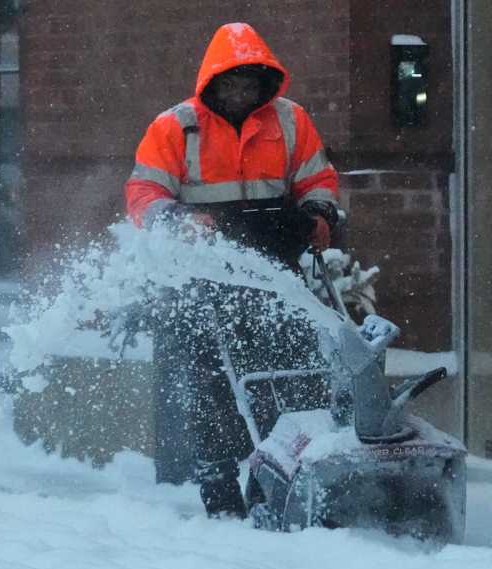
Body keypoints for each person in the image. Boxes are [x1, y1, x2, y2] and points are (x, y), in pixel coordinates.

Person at [125, 23, 345, 518]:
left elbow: (318, 179)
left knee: (291, 380)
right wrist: (179, 220)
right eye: (232, 84)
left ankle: (285, 473)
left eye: (251, 84)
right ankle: (219, 484)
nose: (242, 94)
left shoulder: (290, 122)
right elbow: (143, 196)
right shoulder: (175, 128)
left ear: (267, 83)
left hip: (276, 274)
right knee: (215, 387)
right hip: (204, 280)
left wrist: (320, 214)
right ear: (213, 83)